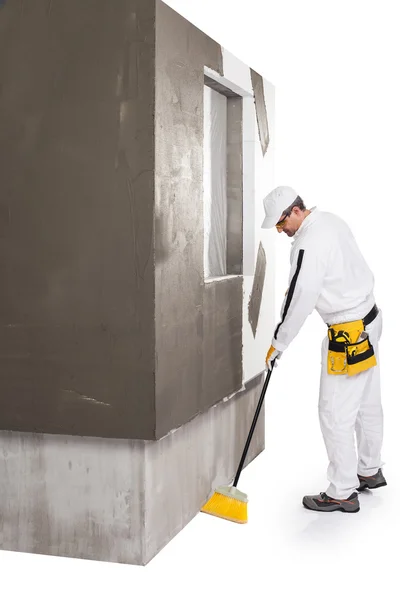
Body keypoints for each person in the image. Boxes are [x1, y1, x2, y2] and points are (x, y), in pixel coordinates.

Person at [261, 186, 386, 513]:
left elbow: (298, 298)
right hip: (370, 319)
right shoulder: (331, 221)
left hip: (349, 336)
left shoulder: (307, 244)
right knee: (366, 401)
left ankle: (343, 490)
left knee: (334, 412)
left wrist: (278, 342)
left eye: (280, 224)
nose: (281, 231)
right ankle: (369, 470)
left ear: (295, 212)